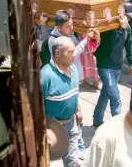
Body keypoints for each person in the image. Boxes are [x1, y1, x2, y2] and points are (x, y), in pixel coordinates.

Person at [40, 36, 83, 167]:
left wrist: (78, 109)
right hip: (51, 129)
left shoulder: (73, 69)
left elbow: (75, 92)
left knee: (72, 162)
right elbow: (35, 108)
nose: (74, 55)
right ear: (58, 53)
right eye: (70, 52)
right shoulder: (45, 76)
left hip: (71, 124)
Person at [92, 14, 132, 128]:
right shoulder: (108, 27)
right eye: (127, 17)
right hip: (105, 66)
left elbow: (129, 44)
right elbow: (113, 44)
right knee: (115, 97)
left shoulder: (127, 27)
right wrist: (121, 28)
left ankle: (97, 119)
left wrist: (131, 63)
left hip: (117, 66)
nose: (129, 20)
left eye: (130, 18)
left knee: (106, 94)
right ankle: (119, 127)